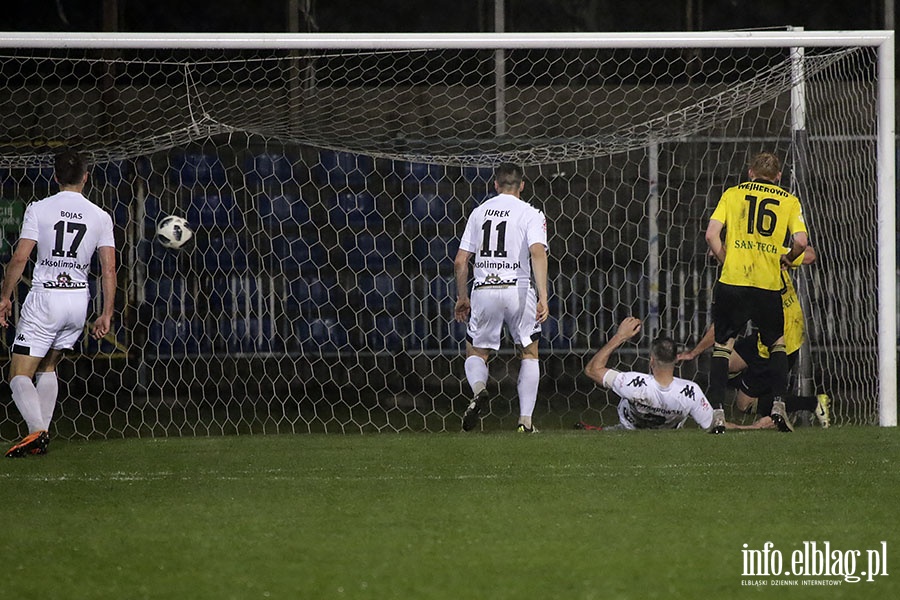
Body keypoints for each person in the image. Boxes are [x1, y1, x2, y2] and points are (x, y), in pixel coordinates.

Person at [1, 149, 116, 457]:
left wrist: (4, 296)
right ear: (86, 177)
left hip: (46, 298)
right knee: (49, 365)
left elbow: (20, 257)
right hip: (78, 301)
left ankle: (37, 432)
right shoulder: (100, 216)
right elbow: (108, 269)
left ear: (54, 177)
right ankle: (41, 437)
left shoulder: (39, 209)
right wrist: (106, 313)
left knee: (18, 374)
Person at [705, 152, 808, 434]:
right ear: (778, 177)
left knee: (723, 345)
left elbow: (711, 235)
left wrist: (727, 260)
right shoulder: (788, 200)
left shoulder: (732, 194)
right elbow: (801, 241)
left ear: (750, 173)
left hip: (734, 281)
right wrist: (788, 258)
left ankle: (716, 415)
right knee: (777, 343)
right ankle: (778, 406)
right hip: (767, 283)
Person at [678, 245, 831, 431]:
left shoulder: (749, 268)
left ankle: (812, 403)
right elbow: (723, 327)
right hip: (765, 335)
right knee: (726, 363)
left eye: (713, 248)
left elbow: (810, 255)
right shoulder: (754, 255)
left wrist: (786, 256)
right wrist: (695, 352)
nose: (711, 254)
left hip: (781, 340)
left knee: (744, 405)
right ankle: (766, 391)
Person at [453, 162, 549, 433]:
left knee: (477, 352)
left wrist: (463, 297)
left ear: (495, 185)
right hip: (518, 290)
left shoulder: (478, 212)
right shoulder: (531, 213)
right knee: (529, 353)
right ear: (522, 185)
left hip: (485, 289)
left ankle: (480, 389)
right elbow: (538, 253)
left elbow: (461, 262)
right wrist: (543, 296)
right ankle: (525, 422)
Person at [582, 317, 715, 431]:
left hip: (626, 433)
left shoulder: (633, 383)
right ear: (676, 359)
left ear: (651, 360)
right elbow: (713, 425)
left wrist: (620, 336)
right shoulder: (691, 392)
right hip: (668, 442)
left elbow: (592, 370)